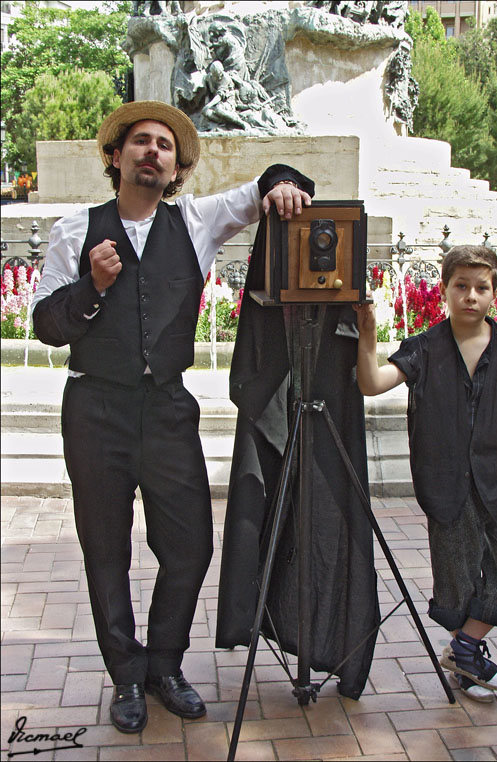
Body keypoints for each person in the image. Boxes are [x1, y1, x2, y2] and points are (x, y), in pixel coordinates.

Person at [31, 99, 314, 733]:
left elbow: (268, 182)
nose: (152, 151)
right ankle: (125, 677)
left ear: (175, 166)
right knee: (105, 549)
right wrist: (91, 289)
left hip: (166, 409)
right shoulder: (74, 230)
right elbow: (45, 325)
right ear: (116, 156)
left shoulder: (195, 220)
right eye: (140, 142)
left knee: (189, 546)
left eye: (164, 145)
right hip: (94, 407)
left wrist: (287, 183)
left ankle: (164, 665)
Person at [354, 245, 497, 703]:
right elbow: (371, 384)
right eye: (461, 286)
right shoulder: (424, 348)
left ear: (496, 294)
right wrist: (367, 336)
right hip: (444, 485)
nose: (471, 296)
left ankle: (463, 647)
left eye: (481, 288)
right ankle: (468, 662)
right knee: (458, 579)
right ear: (444, 291)